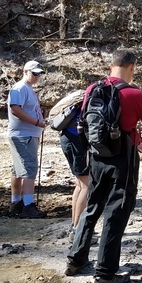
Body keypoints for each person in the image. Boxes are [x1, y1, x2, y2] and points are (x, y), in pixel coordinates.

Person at [65, 49, 142, 283]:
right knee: (116, 214)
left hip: (96, 156)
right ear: (132, 66)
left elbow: (86, 121)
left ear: (111, 65)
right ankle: (105, 275)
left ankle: (75, 260)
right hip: (122, 161)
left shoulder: (92, 89)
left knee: (93, 206)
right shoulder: (134, 93)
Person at [7, 60, 47, 218]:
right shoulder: (20, 88)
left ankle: (16, 202)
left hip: (28, 134)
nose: (37, 76)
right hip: (23, 135)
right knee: (29, 168)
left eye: (39, 74)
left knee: (18, 169)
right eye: (34, 73)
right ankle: (27, 205)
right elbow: (15, 109)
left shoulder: (27, 89)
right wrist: (37, 122)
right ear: (25, 72)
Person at [51, 89, 89, 233]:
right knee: (86, 186)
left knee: (80, 185)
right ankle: (78, 230)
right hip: (76, 142)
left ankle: (75, 225)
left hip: (68, 139)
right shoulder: (94, 100)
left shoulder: (85, 98)